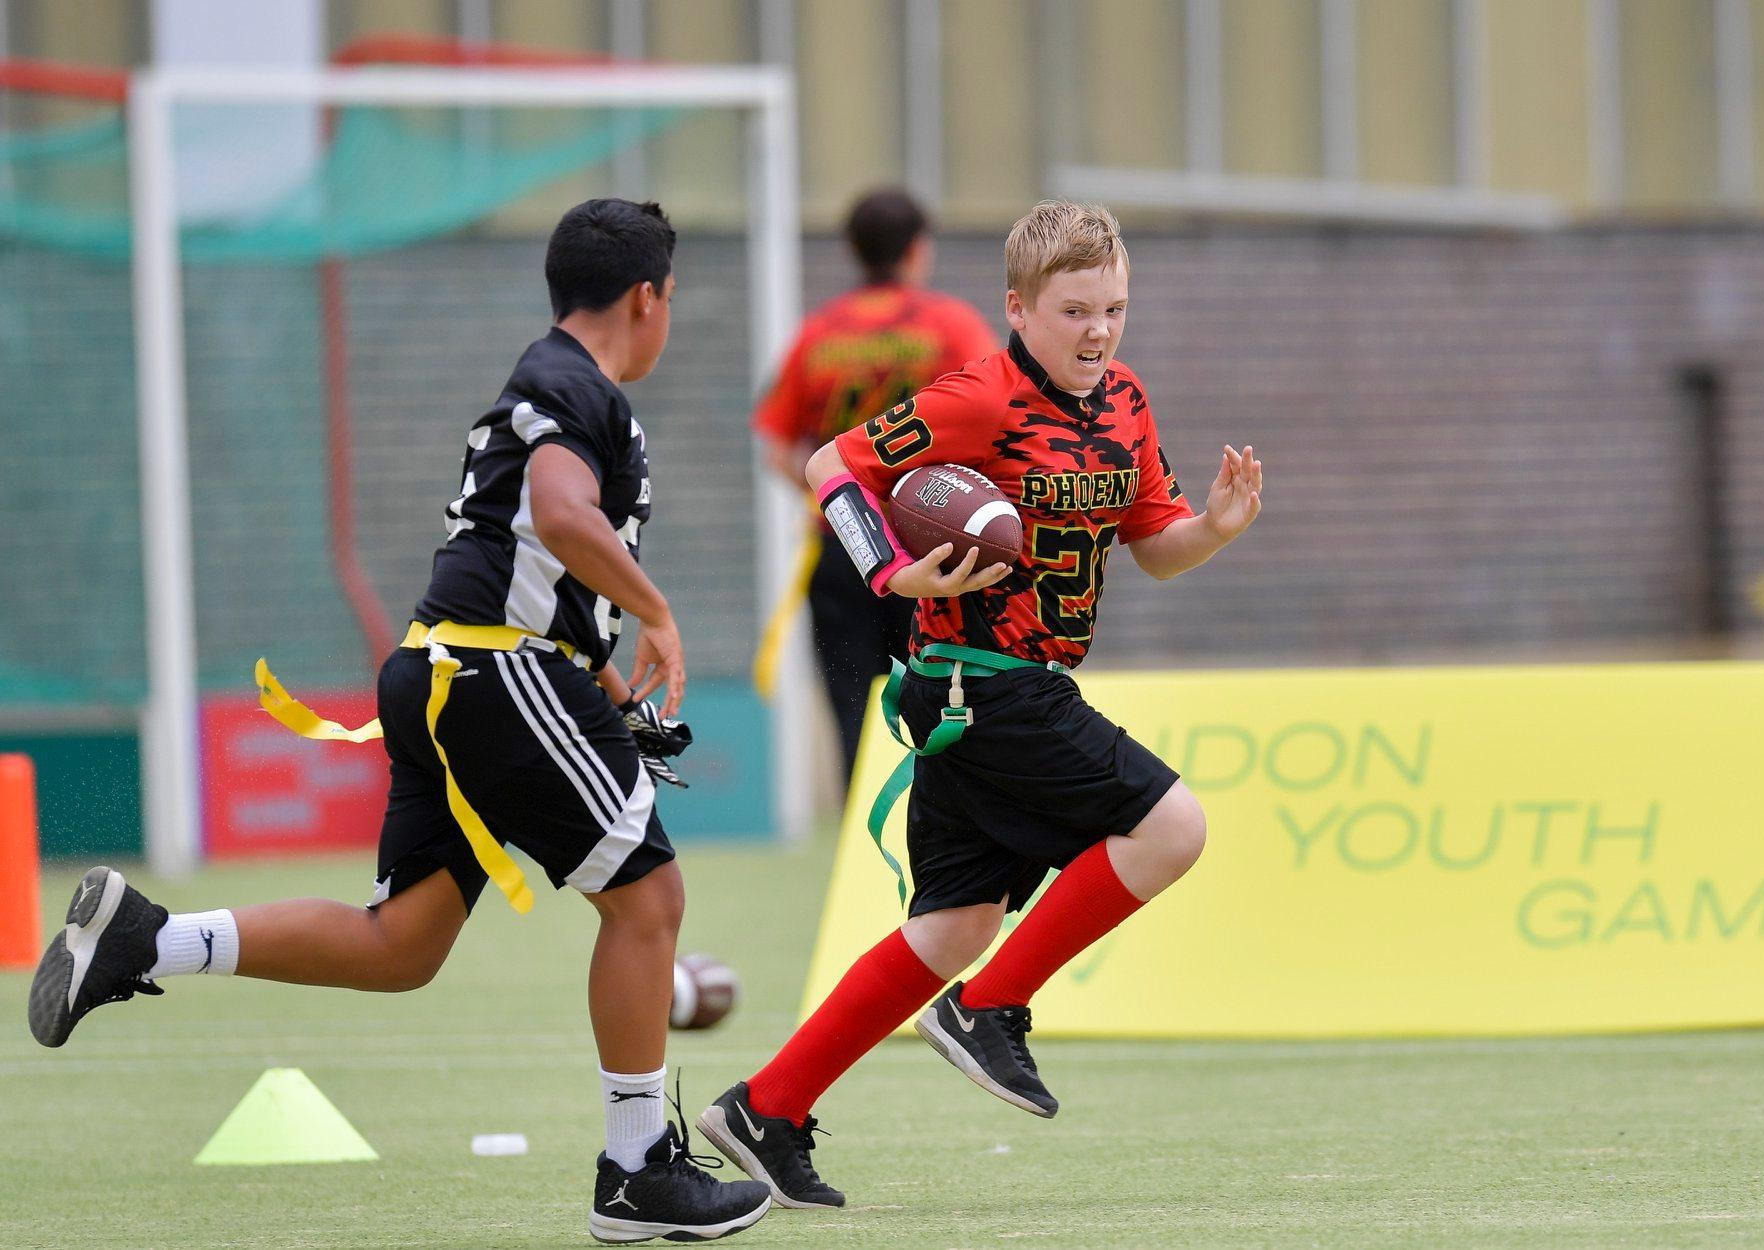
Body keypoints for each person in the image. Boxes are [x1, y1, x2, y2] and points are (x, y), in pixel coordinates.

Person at [26, 199, 772, 1245]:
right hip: (493, 676)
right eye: (673, 300)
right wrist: (657, 609)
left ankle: (153, 938)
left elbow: (526, 551)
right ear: (648, 297)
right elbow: (561, 512)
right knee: (649, 900)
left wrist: (597, 676)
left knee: (404, 942)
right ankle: (638, 1167)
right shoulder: (574, 385)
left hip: (447, 666)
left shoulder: (549, 378)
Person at [697, 200, 1264, 1209]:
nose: (1098, 329)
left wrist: (1214, 529)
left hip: (994, 693)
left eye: (1114, 307)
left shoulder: (1126, 401)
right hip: (986, 683)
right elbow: (833, 463)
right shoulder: (976, 396)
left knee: (956, 923)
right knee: (1172, 825)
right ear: (1019, 306)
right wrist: (887, 575)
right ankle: (992, 1008)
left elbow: (1158, 547)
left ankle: (766, 1106)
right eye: (1075, 308)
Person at [752, 188, 999, 784]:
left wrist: (837, 502)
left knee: (851, 708)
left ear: (854, 251)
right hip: (931, 544)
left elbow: (777, 447)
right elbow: (999, 420)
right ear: (918, 249)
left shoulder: (819, 333)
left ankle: (860, 839)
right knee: (943, 696)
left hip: (846, 547)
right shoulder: (952, 325)